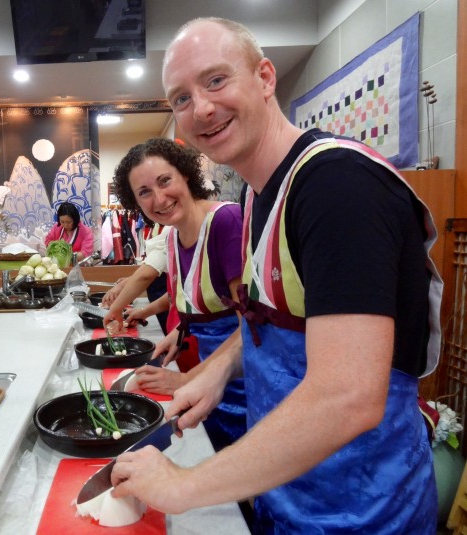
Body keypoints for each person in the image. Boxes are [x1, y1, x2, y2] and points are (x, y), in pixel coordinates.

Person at [110, 18, 443, 534]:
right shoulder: (261, 194)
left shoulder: (336, 186)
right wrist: (217, 372)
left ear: (265, 77)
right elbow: (276, 325)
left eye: (216, 80)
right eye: (180, 98)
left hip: (358, 506)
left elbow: (347, 396)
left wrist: (183, 484)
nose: (201, 108)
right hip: (283, 489)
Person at [104, 137, 246, 451]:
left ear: (185, 174)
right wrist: (181, 331)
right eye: (144, 193)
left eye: (165, 181)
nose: (159, 199)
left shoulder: (226, 221)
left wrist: (187, 379)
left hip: (237, 383)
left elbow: (250, 329)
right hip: (203, 376)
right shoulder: (172, 237)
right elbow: (201, 301)